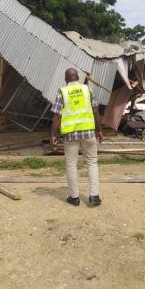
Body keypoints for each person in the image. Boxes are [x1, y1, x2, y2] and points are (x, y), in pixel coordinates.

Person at [50, 68, 104, 207]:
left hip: (71, 135)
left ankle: (74, 198)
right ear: (78, 77)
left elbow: (56, 117)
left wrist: (53, 135)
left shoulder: (62, 92)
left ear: (65, 78)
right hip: (88, 133)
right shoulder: (87, 89)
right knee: (92, 162)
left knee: (71, 165)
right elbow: (96, 112)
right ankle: (94, 196)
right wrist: (100, 130)